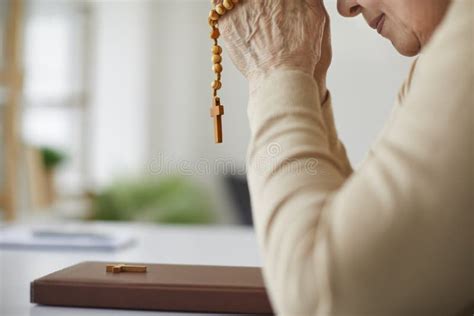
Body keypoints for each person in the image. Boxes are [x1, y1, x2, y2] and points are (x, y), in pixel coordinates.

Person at [218, 0, 473, 315]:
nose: (345, 7)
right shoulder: (437, 59)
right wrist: (304, 83)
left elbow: (322, 298)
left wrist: (275, 70)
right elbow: (377, 256)